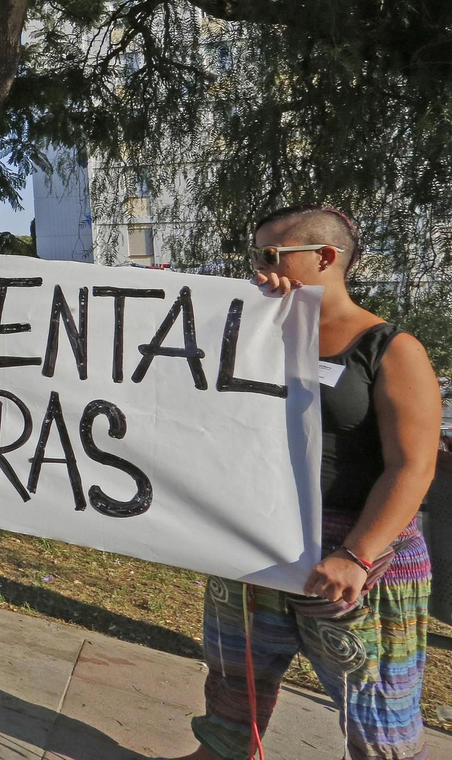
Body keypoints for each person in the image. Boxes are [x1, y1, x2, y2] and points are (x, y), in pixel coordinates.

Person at [166, 204, 438, 760]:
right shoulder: (253, 332)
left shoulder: (391, 349)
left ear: (326, 257)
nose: (261, 267)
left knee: (375, 698)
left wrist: (357, 555)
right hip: (256, 543)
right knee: (235, 671)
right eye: (255, 256)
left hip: (357, 556)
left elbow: (412, 465)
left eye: (272, 255)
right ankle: (221, 752)